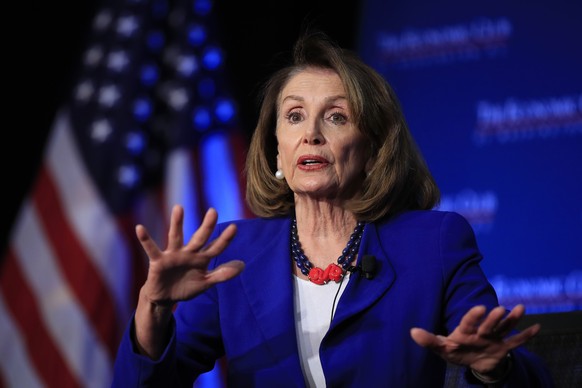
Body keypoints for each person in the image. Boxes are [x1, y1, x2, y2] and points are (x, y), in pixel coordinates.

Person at [111, 31, 553, 387]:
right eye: (295, 116)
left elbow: (520, 371)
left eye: (337, 117)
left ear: (374, 147)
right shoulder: (233, 253)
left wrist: (492, 369)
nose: (312, 134)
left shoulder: (433, 242)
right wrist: (152, 310)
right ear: (276, 150)